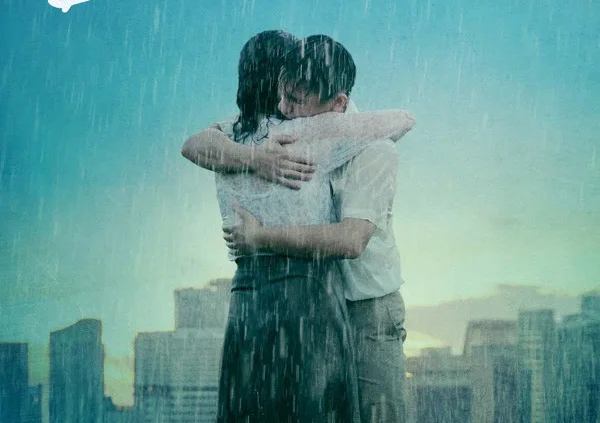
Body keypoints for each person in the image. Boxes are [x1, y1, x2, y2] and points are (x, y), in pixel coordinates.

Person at [181, 32, 414, 422]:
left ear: (337, 104)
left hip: (367, 307)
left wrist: (261, 237)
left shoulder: (372, 147)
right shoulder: (278, 135)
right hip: (319, 295)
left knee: (377, 413)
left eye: (295, 100)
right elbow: (195, 143)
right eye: (282, 94)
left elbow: (351, 240)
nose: (283, 108)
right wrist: (254, 158)